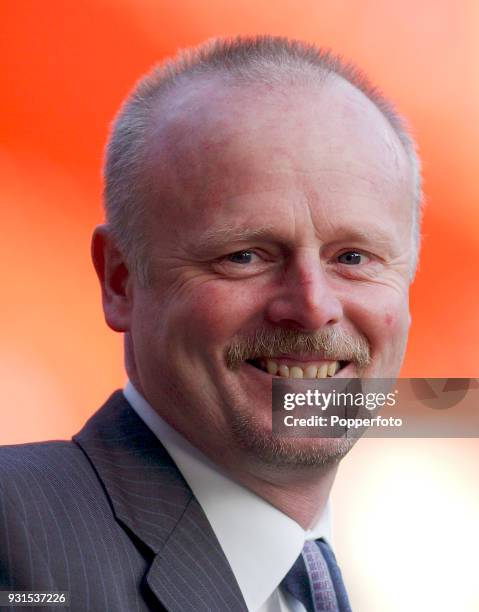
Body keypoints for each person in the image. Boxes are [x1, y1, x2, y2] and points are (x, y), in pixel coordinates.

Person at [0, 36, 421, 611]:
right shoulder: (15, 539)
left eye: (353, 258)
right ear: (120, 281)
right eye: (245, 255)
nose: (312, 305)